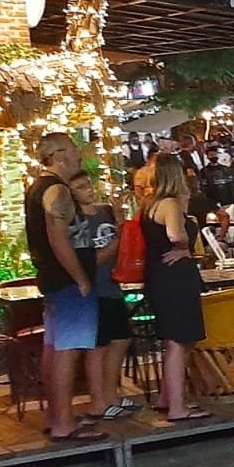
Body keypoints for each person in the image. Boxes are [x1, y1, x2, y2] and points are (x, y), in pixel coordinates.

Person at [28, 136, 107, 441]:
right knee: (68, 350)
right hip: (67, 281)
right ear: (59, 155)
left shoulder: (39, 187)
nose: (79, 155)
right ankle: (63, 422)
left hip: (54, 279)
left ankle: (57, 416)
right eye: (74, 149)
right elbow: (58, 238)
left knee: (55, 346)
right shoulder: (56, 190)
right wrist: (81, 277)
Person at [134, 154, 212, 424]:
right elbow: (176, 235)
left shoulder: (149, 204)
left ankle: (168, 396)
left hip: (157, 275)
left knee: (177, 339)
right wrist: (184, 249)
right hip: (174, 277)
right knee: (179, 341)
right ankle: (177, 406)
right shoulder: (169, 204)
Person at [71, 171, 134, 421]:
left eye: (89, 184)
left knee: (121, 338)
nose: (88, 189)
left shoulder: (104, 211)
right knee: (98, 345)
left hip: (114, 282)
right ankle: (99, 400)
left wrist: (120, 216)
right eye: (80, 187)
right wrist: (116, 244)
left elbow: (125, 235)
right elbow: (89, 261)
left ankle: (112, 394)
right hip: (95, 286)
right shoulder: (75, 221)